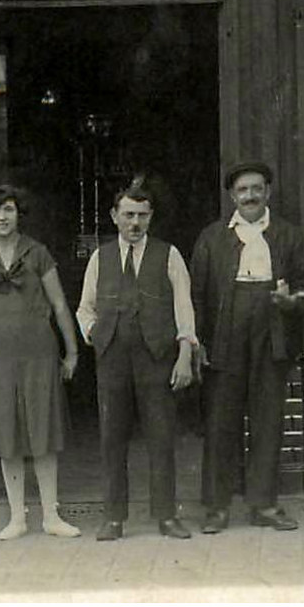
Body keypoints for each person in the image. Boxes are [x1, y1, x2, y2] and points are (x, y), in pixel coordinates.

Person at [189, 161, 304, 534]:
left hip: (270, 335)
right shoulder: (212, 238)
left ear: (268, 192)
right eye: (243, 190)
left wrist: (291, 301)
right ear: (232, 196)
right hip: (225, 336)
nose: (250, 196)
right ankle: (217, 507)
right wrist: (199, 342)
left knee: (267, 421)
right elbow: (197, 295)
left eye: (257, 188)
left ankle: (264, 505)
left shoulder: (289, 236)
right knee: (220, 421)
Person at [75, 179, 198, 541]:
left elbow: (184, 309)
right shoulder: (101, 257)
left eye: (142, 216)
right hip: (112, 360)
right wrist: (95, 334)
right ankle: (113, 518)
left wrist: (184, 356)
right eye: (128, 215)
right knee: (112, 438)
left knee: (161, 437)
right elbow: (84, 308)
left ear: (151, 217)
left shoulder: (168, 254)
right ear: (114, 216)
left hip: (156, 358)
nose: (135, 223)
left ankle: (166, 516)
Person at [0, 186, 83, 540]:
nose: (2, 217)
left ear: (19, 214)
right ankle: (17, 517)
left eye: (9, 210)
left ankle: (51, 516)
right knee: (7, 434)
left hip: (39, 355)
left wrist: (71, 351)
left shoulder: (38, 252)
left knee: (42, 432)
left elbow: (59, 304)